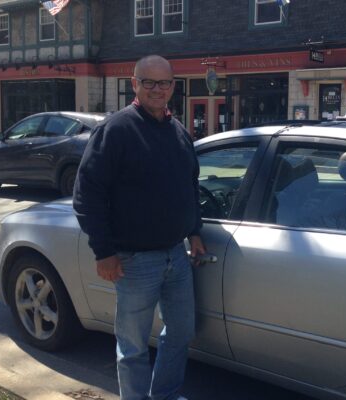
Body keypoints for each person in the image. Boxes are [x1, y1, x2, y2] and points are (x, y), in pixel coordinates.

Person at [73, 54, 205, 400]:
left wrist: (194, 229)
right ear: (134, 84)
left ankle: (163, 395)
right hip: (133, 261)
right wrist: (104, 252)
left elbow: (190, 185)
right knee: (132, 347)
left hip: (176, 256)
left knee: (179, 334)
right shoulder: (116, 130)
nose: (157, 90)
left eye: (164, 83)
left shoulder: (178, 132)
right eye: (149, 82)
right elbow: (87, 195)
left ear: (173, 86)